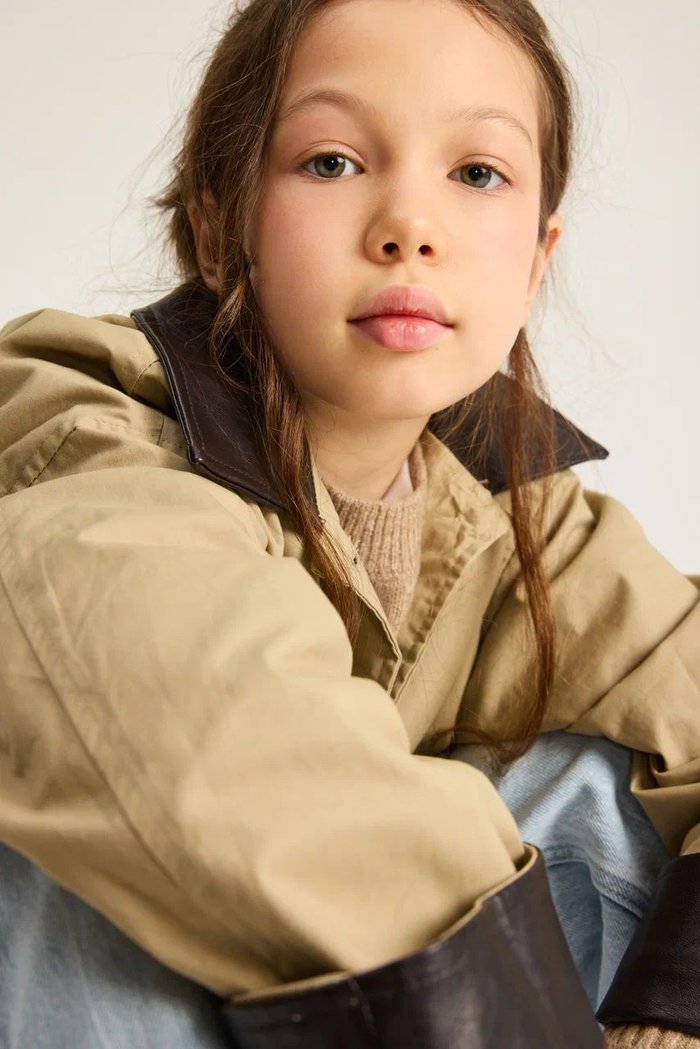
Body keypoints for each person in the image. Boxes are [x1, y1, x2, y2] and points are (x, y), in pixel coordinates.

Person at [0, 0, 698, 1046]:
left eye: (477, 173)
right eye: (331, 162)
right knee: (78, 864)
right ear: (217, 230)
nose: (408, 227)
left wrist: (673, 1008)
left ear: (535, 259)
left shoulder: (513, 516)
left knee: (602, 785)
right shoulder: (84, 432)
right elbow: (221, 747)